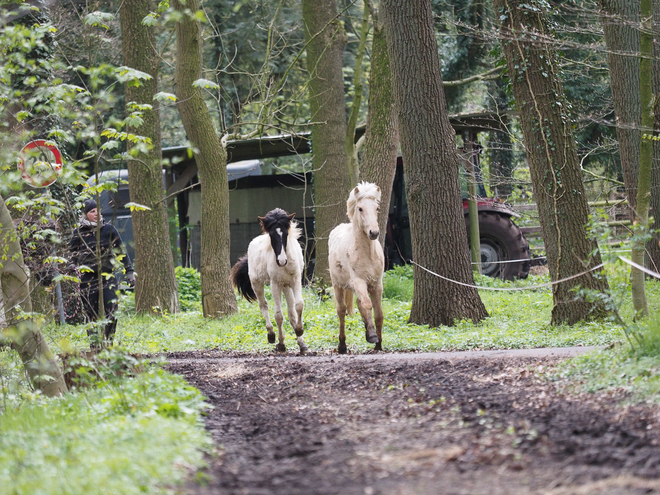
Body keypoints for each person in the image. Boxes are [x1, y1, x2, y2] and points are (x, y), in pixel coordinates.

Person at [69, 199, 135, 349]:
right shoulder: (78, 232)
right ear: (85, 215)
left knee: (111, 310)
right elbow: (72, 253)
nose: (96, 214)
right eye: (92, 211)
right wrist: (72, 266)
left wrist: (129, 271)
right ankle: (94, 346)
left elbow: (122, 252)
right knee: (91, 313)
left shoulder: (109, 229)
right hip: (87, 279)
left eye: (98, 210)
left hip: (107, 276)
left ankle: (109, 342)